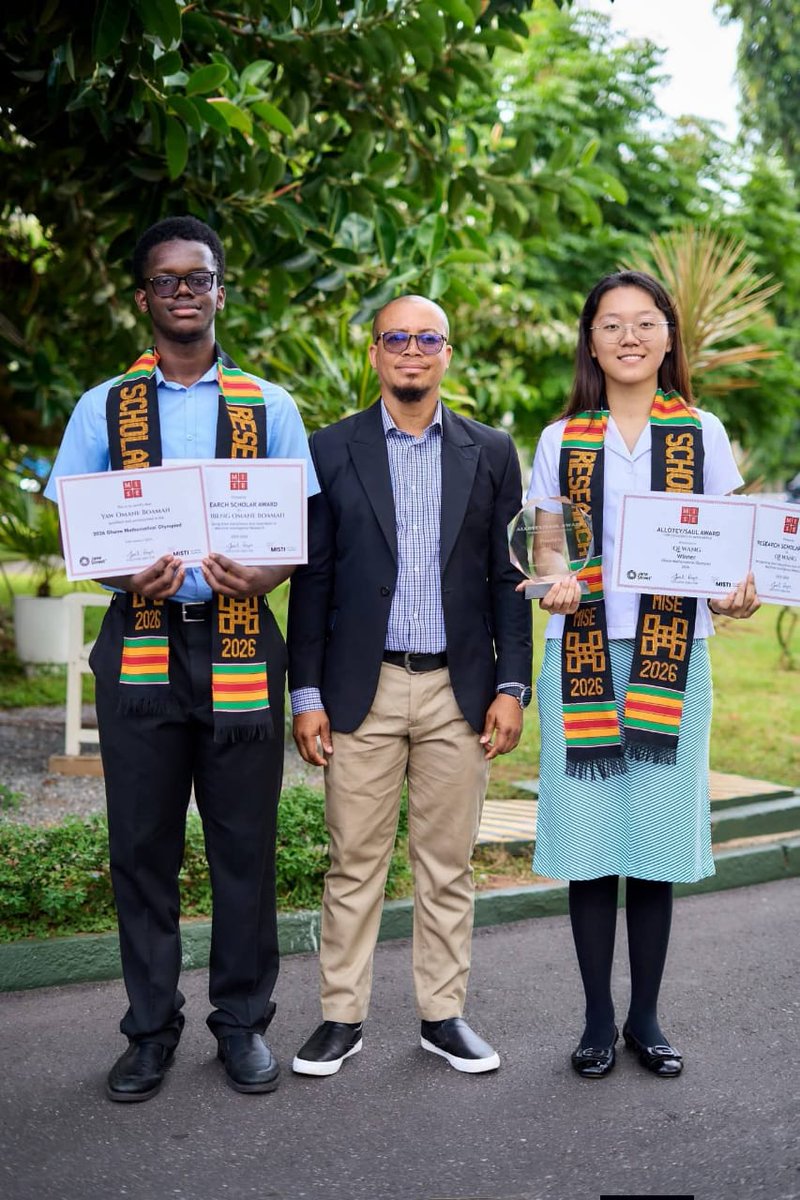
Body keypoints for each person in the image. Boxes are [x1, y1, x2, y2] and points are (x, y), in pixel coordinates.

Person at [44, 216, 318, 1101]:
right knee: (143, 847)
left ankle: (241, 1025)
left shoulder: (268, 404)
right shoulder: (103, 407)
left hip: (240, 642)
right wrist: (132, 572)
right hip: (140, 645)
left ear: (219, 292)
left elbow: (295, 531)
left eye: (198, 277)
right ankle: (149, 1031)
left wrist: (260, 573)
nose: (185, 291)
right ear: (144, 299)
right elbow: (76, 532)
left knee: (245, 847)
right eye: (167, 280)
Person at [287, 295, 532, 1076]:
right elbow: (312, 584)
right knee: (353, 862)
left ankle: (442, 1014)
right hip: (364, 688)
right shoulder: (331, 450)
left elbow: (508, 578)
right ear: (374, 353)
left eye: (429, 337)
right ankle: (340, 1018)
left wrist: (513, 685)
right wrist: (307, 695)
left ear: (448, 353)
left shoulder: (490, 453)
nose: (413, 351)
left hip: (459, 692)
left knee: (447, 864)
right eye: (397, 338)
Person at [524, 270, 759, 1079]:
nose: (629, 336)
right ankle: (595, 1021)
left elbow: (731, 553)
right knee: (591, 848)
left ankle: (646, 1018)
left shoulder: (703, 431)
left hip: (673, 660)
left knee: (653, 846)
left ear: (667, 337)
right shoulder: (562, 440)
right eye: (612, 324)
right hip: (584, 657)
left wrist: (738, 592)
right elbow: (547, 545)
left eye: (646, 322)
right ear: (590, 339)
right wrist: (549, 579)